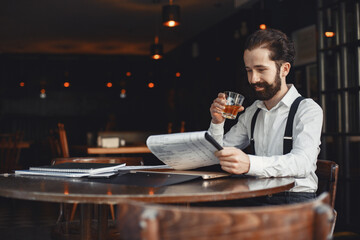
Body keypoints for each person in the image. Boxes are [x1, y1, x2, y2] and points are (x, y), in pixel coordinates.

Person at [208, 28, 323, 205]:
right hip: (257, 199)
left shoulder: (307, 110)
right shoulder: (253, 111)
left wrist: (250, 164)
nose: (253, 79)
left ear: (284, 69)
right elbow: (218, 153)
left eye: (261, 69)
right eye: (249, 70)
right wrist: (217, 123)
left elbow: (303, 163)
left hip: (296, 201)